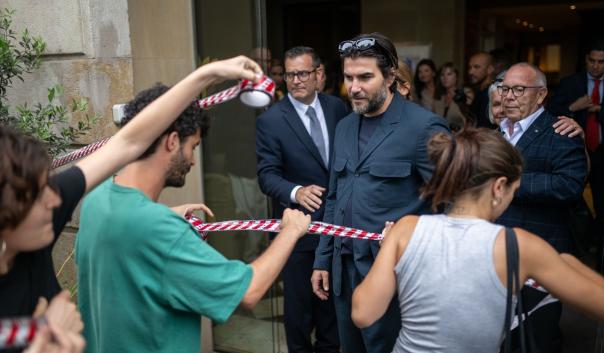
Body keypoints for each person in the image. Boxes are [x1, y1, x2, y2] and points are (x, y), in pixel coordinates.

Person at [0, 55, 263, 351]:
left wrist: (206, 75)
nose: (55, 199)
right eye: (37, 195)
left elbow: (129, 142)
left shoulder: (41, 218)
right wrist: (46, 337)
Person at [75, 79, 312, 353]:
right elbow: (249, 292)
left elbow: (130, 230)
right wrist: (290, 231)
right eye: (194, 147)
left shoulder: (97, 201)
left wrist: (163, 214)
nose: (193, 160)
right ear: (173, 142)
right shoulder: (162, 231)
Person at [351, 128, 604, 353]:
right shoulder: (519, 245)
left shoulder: (407, 228)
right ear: (498, 186)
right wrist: (566, 261)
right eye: (513, 190)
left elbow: (364, 313)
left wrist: (390, 255)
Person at [311, 33, 449, 353]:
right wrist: (322, 258)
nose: (354, 87)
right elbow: (334, 197)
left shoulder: (425, 127)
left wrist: (409, 233)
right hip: (343, 270)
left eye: (365, 77)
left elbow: (450, 204)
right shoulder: (344, 126)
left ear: (390, 77)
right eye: (348, 77)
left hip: (395, 271)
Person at [256, 46, 347, 353]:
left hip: (336, 231)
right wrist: (296, 192)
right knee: (298, 317)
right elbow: (266, 176)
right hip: (298, 236)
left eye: (302, 73)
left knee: (332, 317)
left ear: (318, 74)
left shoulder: (338, 108)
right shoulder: (271, 120)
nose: (295, 80)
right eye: (289, 74)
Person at [497, 62, 588, 352]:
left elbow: (569, 186)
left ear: (541, 95)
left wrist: (508, 184)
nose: (509, 96)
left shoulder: (561, 132)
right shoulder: (495, 133)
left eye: (519, 89)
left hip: (540, 251)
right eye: (505, 88)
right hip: (495, 251)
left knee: (535, 337)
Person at [547, 40, 604, 245]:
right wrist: (573, 107)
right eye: (592, 61)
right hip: (573, 153)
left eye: (601, 61)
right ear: (586, 60)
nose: (596, 65)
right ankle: (578, 246)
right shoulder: (570, 82)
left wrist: (600, 110)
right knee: (574, 205)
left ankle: (601, 245)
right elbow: (551, 112)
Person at [433, 62, 468, 131]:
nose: (445, 78)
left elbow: (470, 120)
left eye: (449, 74)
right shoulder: (438, 98)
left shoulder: (465, 93)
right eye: (442, 75)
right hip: (442, 137)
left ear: (456, 77)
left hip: (461, 137)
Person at [468, 52, 496, 128]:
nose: (471, 72)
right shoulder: (479, 92)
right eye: (470, 67)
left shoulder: (494, 94)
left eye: (476, 67)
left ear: (490, 69)